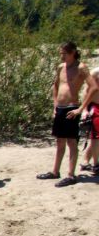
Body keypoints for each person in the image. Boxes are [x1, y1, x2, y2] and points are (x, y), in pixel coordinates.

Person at [36, 42, 97, 187]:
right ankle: (55, 171)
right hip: (61, 108)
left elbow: (94, 87)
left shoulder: (81, 67)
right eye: (61, 53)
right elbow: (56, 86)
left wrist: (81, 108)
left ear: (73, 52)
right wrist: (54, 105)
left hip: (72, 107)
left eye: (64, 53)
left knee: (71, 142)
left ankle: (71, 174)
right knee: (59, 141)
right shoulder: (60, 67)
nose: (62, 56)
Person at [78, 68, 99, 174]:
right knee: (96, 137)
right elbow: (86, 91)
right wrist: (85, 110)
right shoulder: (96, 72)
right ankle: (96, 165)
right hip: (96, 106)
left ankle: (86, 162)